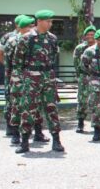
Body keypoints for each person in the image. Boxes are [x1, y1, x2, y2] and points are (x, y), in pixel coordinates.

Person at [13, 10, 63, 154]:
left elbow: (54, 56)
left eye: (51, 21)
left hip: (48, 76)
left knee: (51, 109)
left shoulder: (53, 38)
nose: (50, 24)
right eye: (47, 21)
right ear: (39, 21)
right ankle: (24, 142)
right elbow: (18, 61)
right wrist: (26, 78)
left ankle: (56, 140)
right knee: (28, 109)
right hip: (31, 77)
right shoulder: (26, 38)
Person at [0, 15, 32, 136]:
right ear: (17, 24)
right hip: (11, 73)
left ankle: (25, 126)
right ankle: (9, 126)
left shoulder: (31, 37)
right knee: (10, 99)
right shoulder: (8, 37)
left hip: (26, 74)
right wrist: (9, 67)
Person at [81, 29, 100, 142]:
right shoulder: (90, 51)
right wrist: (92, 74)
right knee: (96, 106)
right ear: (96, 40)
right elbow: (83, 65)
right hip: (96, 79)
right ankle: (97, 130)